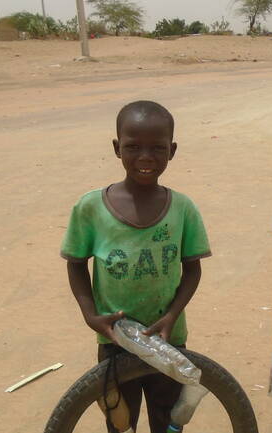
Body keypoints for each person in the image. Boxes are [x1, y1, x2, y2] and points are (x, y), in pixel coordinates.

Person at [61, 100, 211, 432]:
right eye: (133, 147)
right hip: (114, 339)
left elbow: (193, 269)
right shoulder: (90, 208)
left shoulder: (183, 209)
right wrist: (90, 315)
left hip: (168, 336)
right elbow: (75, 264)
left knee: (167, 418)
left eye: (157, 148)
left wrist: (171, 315)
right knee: (120, 421)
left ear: (172, 150)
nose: (145, 156)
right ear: (117, 148)